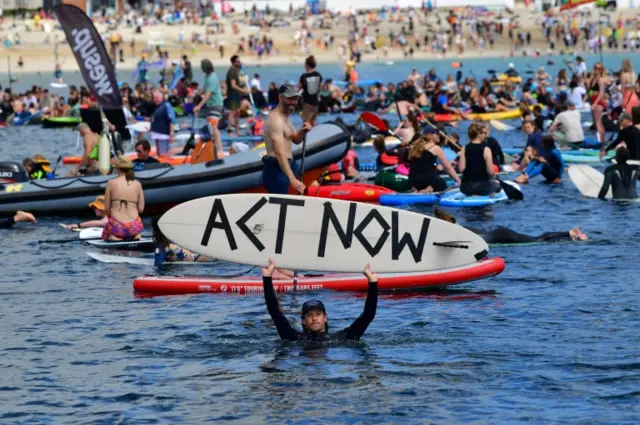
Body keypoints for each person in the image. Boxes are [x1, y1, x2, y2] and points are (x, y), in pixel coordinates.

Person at [261, 258, 378, 342]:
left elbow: (368, 315)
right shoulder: (294, 338)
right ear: (303, 321)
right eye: (309, 315)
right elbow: (274, 312)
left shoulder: (341, 338)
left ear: (325, 317)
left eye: (318, 314)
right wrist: (267, 278)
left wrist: (372, 283)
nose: (314, 318)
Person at [262, 83, 312, 194]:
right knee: (279, 207)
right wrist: (292, 180)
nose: (293, 102)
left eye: (295, 98)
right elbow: (279, 153)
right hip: (277, 169)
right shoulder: (275, 120)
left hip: (287, 168)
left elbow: (296, 140)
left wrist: (303, 131)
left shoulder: (286, 117)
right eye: (290, 98)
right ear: (280, 97)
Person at [434, 209, 588, 244]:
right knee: (537, 238)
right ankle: (568, 233)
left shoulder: (455, 232)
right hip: (499, 232)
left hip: (501, 236)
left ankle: (570, 233)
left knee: (537, 240)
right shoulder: (459, 227)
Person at [103, 156, 145, 241]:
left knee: (105, 234)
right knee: (135, 224)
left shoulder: (111, 183)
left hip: (117, 227)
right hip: (135, 227)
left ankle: (114, 236)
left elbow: (106, 208)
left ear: (117, 168)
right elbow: (141, 209)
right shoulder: (137, 184)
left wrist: (111, 218)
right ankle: (136, 235)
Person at [408, 128, 460, 193]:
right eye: (437, 134)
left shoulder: (415, 147)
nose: (439, 135)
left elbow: (421, 164)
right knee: (442, 185)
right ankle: (428, 189)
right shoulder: (435, 148)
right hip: (427, 179)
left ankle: (418, 189)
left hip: (413, 179)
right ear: (430, 135)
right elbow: (448, 167)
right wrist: (459, 181)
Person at [193, 59, 224, 157]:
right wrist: (197, 93)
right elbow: (204, 89)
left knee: (214, 127)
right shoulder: (207, 76)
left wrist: (198, 106)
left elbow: (207, 95)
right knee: (210, 127)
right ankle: (212, 147)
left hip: (216, 104)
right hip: (211, 105)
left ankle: (220, 149)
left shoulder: (212, 78)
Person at [458, 123, 500, 196]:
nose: (485, 135)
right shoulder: (486, 149)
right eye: (483, 133)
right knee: (497, 185)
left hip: (466, 187)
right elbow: (491, 172)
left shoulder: (464, 148)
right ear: (478, 134)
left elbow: (461, 169)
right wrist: (494, 177)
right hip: (482, 187)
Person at [226, 55, 250, 136]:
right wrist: (242, 90)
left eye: (239, 61)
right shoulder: (232, 71)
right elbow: (233, 85)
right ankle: (229, 132)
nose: (239, 63)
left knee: (238, 113)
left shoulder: (237, 70)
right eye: (237, 62)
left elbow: (241, 81)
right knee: (232, 113)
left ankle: (237, 131)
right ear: (233, 62)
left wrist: (245, 89)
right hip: (232, 95)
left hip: (237, 95)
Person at [149, 90, 176, 158]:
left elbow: (172, 120)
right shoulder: (157, 106)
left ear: (162, 97)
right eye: (154, 98)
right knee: (159, 154)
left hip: (163, 134)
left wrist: (172, 134)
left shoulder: (167, 105)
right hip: (157, 133)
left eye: (157, 98)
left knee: (163, 154)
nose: (155, 100)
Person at [299, 55, 323, 126]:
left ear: (307, 65)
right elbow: (319, 87)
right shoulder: (318, 75)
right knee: (313, 122)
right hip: (316, 102)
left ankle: (305, 136)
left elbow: (299, 88)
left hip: (307, 103)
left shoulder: (304, 76)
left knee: (305, 123)